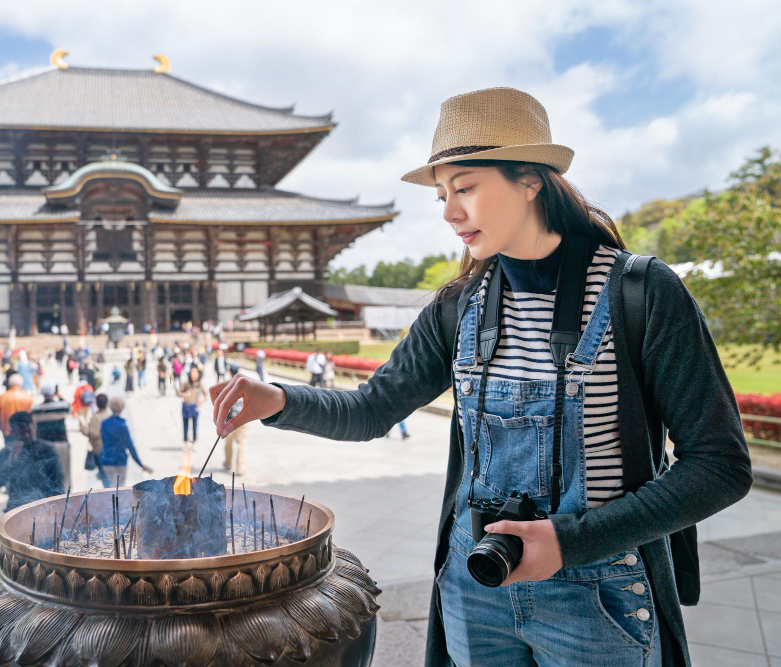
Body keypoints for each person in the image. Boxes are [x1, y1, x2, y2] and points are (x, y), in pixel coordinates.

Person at [208, 87, 754, 667]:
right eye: (442, 194)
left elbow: (720, 466)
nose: (448, 211)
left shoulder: (641, 294)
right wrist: (278, 399)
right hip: (475, 588)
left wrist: (572, 540)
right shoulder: (457, 307)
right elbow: (372, 410)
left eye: (465, 187)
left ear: (531, 179)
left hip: (597, 593)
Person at [0, 411, 64, 512]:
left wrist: (58, 508)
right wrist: (11, 460)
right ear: (13, 431)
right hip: (16, 509)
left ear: (33, 426)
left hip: (44, 508)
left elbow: (58, 483)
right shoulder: (7, 452)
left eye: (27, 429)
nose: (26, 433)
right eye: (21, 430)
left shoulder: (46, 450)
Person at [98, 396, 153, 487]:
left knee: (108, 489)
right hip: (119, 460)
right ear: (121, 409)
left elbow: (102, 440)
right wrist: (140, 464)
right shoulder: (122, 426)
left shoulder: (104, 423)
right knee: (119, 489)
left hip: (106, 460)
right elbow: (130, 446)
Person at [31, 381, 71, 488]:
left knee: (46, 473)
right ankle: (66, 494)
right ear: (54, 392)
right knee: (64, 472)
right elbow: (69, 407)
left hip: (43, 445)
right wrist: (60, 395)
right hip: (60, 444)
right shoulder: (61, 406)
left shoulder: (35, 409)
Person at [0, 374, 33, 450]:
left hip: (7, 431)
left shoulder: (3, 397)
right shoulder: (27, 397)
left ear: (9, 383)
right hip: (24, 431)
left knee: (10, 452)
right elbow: (31, 417)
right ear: (21, 383)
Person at [222, 366, 248, 476]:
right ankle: (240, 468)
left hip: (230, 420)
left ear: (229, 372)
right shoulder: (245, 385)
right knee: (241, 444)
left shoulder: (228, 385)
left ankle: (228, 463)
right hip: (242, 419)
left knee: (228, 443)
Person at [87, 393, 113, 486]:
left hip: (99, 450)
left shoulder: (95, 417)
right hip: (110, 449)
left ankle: (108, 493)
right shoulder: (110, 415)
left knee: (104, 476)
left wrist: (84, 430)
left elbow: (94, 433)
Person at [176, 366, 207, 445]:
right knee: (185, 425)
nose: (194, 375)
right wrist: (183, 394)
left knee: (195, 425)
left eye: (195, 373)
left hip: (194, 407)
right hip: (186, 406)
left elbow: (205, 394)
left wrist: (201, 400)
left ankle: (194, 440)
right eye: (192, 373)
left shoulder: (199, 384)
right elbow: (178, 392)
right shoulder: (186, 384)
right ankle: (185, 440)